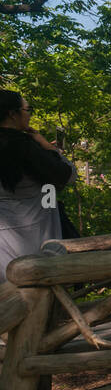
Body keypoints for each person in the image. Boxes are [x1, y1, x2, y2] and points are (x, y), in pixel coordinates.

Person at [0, 90, 75, 281]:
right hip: (32, 238)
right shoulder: (24, 146)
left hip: (3, 244)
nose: (30, 114)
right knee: (34, 295)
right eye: (28, 109)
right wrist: (49, 149)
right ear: (12, 113)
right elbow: (66, 176)